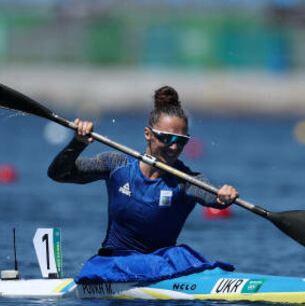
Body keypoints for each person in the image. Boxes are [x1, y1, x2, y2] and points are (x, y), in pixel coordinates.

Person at [47, 86, 239, 282]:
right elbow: (58, 174)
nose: (174, 147)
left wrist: (223, 196)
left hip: (163, 265)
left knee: (180, 255)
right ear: (148, 134)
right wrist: (78, 142)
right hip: (113, 264)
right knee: (171, 260)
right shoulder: (116, 165)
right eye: (166, 138)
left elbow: (212, 197)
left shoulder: (186, 180)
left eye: (181, 141)